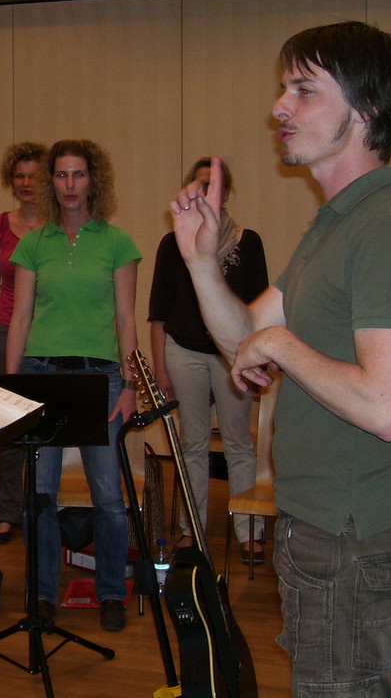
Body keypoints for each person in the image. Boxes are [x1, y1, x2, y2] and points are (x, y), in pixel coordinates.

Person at [169, 21, 391, 696]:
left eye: (303, 90)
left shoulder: (387, 229)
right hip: (318, 522)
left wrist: (283, 348)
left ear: (365, 111)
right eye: (283, 89)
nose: (279, 108)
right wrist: (202, 264)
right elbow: (245, 338)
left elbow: (386, 407)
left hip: (352, 533)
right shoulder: (336, 226)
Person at [6, 139, 141, 633]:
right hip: (41, 374)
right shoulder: (32, 244)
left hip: (99, 378)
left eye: (78, 174)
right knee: (40, 496)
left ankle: (110, 593)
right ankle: (42, 594)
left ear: (93, 180)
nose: (69, 185)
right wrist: (10, 386)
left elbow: (126, 320)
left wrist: (130, 384)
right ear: (50, 181)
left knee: (108, 496)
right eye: (61, 175)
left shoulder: (118, 242)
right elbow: (20, 318)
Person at [148, 157, 268, 562]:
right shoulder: (172, 243)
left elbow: (258, 310)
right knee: (193, 443)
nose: (204, 193)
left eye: (212, 186)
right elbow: (159, 313)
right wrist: (160, 369)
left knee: (239, 443)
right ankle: (191, 530)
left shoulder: (248, 242)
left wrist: (256, 363)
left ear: (226, 193)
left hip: (233, 356)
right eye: (197, 185)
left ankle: (249, 531)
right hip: (183, 351)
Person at [0, 141, 46, 545]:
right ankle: (7, 511)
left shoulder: (59, 226)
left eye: (33, 176)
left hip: (47, 336)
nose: (25, 183)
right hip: (5, 332)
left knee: (47, 427)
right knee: (9, 429)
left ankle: (44, 508)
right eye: (19, 176)